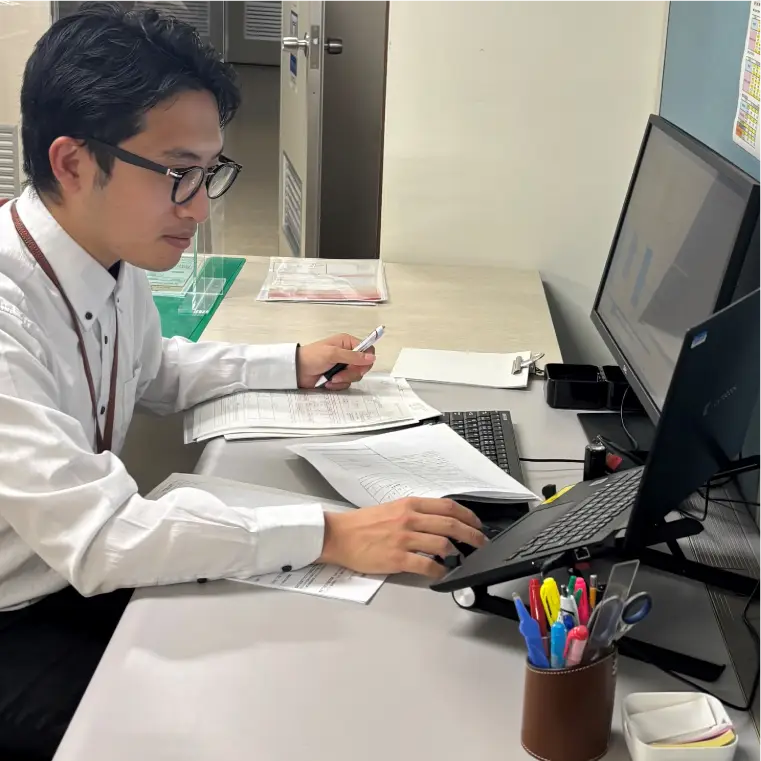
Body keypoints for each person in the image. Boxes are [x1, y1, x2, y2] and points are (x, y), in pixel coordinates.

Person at [0, 2, 486, 758]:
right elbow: (101, 538)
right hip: (21, 622)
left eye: (208, 174)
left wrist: (289, 362)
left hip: (73, 580)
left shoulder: (106, 251)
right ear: (72, 162)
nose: (197, 207)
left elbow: (155, 371)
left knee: (302, 658)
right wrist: (332, 534)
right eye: (177, 175)